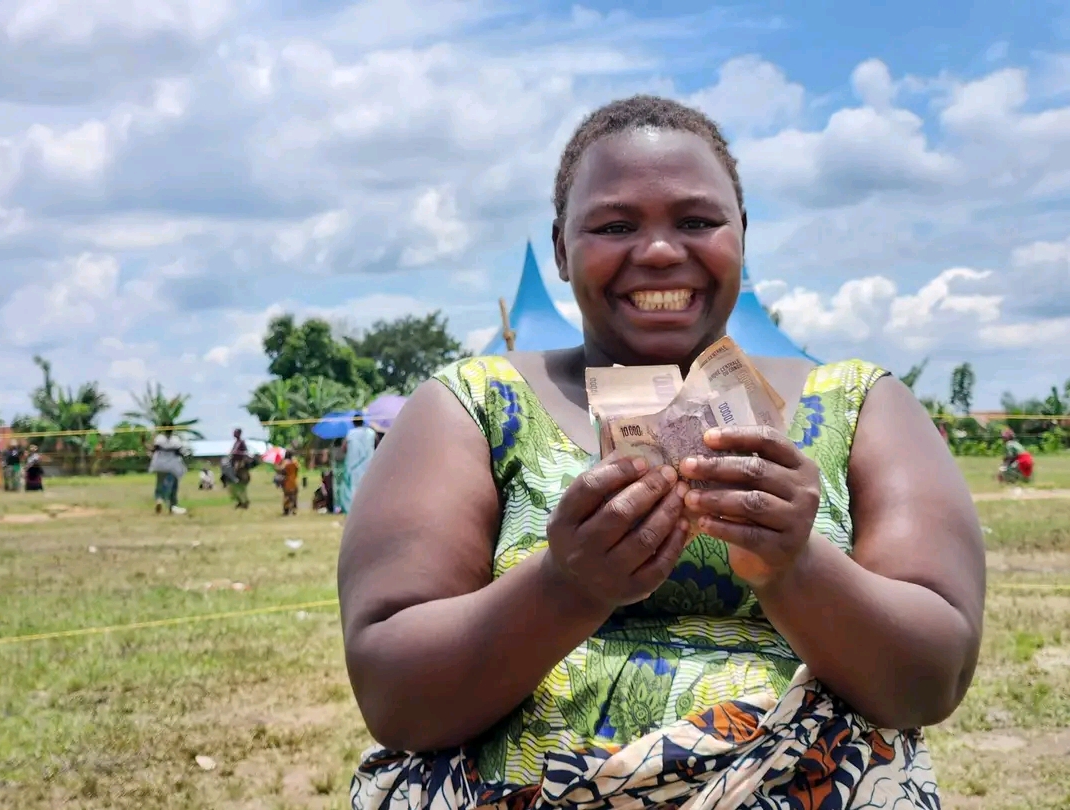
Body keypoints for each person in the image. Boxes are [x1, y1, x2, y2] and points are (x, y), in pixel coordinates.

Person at [338, 96, 986, 810]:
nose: (657, 251)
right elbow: (393, 696)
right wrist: (565, 587)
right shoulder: (473, 404)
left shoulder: (860, 403)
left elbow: (932, 679)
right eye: (615, 225)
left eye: (697, 221)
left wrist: (797, 567)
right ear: (560, 249)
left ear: (744, 233)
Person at [337, 418, 377, 515]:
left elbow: (344, 448)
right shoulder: (371, 432)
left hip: (353, 466)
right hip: (369, 465)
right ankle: (368, 509)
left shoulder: (351, 434)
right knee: (368, 488)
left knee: (353, 489)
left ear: (353, 423)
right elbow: (378, 444)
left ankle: (353, 511)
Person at [149, 431, 187, 515]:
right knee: (172, 486)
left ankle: (159, 499)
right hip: (172, 466)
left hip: (159, 466)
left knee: (159, 484)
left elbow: (153, 449)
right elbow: (179, 452)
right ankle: (172, 506)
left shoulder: (159, 438)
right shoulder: (175, 440)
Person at [280, 450, 300, 516]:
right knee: (294, 497)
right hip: (294, 482)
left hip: (287, 483)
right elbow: (297, 470)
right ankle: (294, 510)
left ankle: (286, 510)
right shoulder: (295, 462)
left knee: (287, 497)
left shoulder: (285, 463)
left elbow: (282, 471)